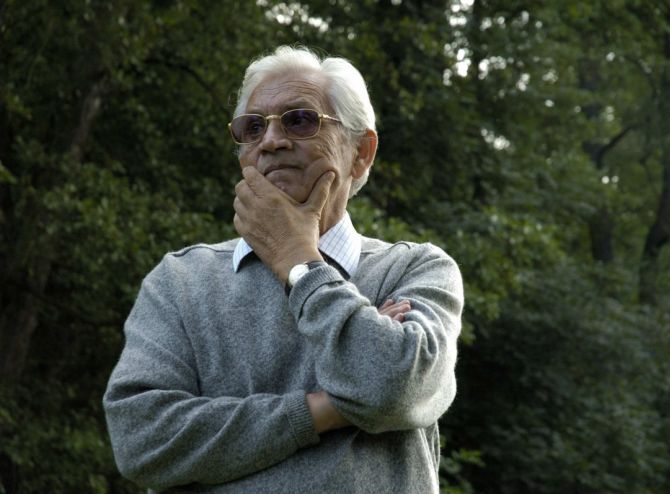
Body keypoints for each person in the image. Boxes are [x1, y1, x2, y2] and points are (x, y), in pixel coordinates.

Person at [103, 45, 463, 493]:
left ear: (361, 152)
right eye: (253, 127)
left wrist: (300, 262)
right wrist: (327, 407)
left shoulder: (415, 268)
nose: (271, 141)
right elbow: (140, 440)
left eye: (300, 120)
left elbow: (394, 387)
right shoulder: (180, 280)